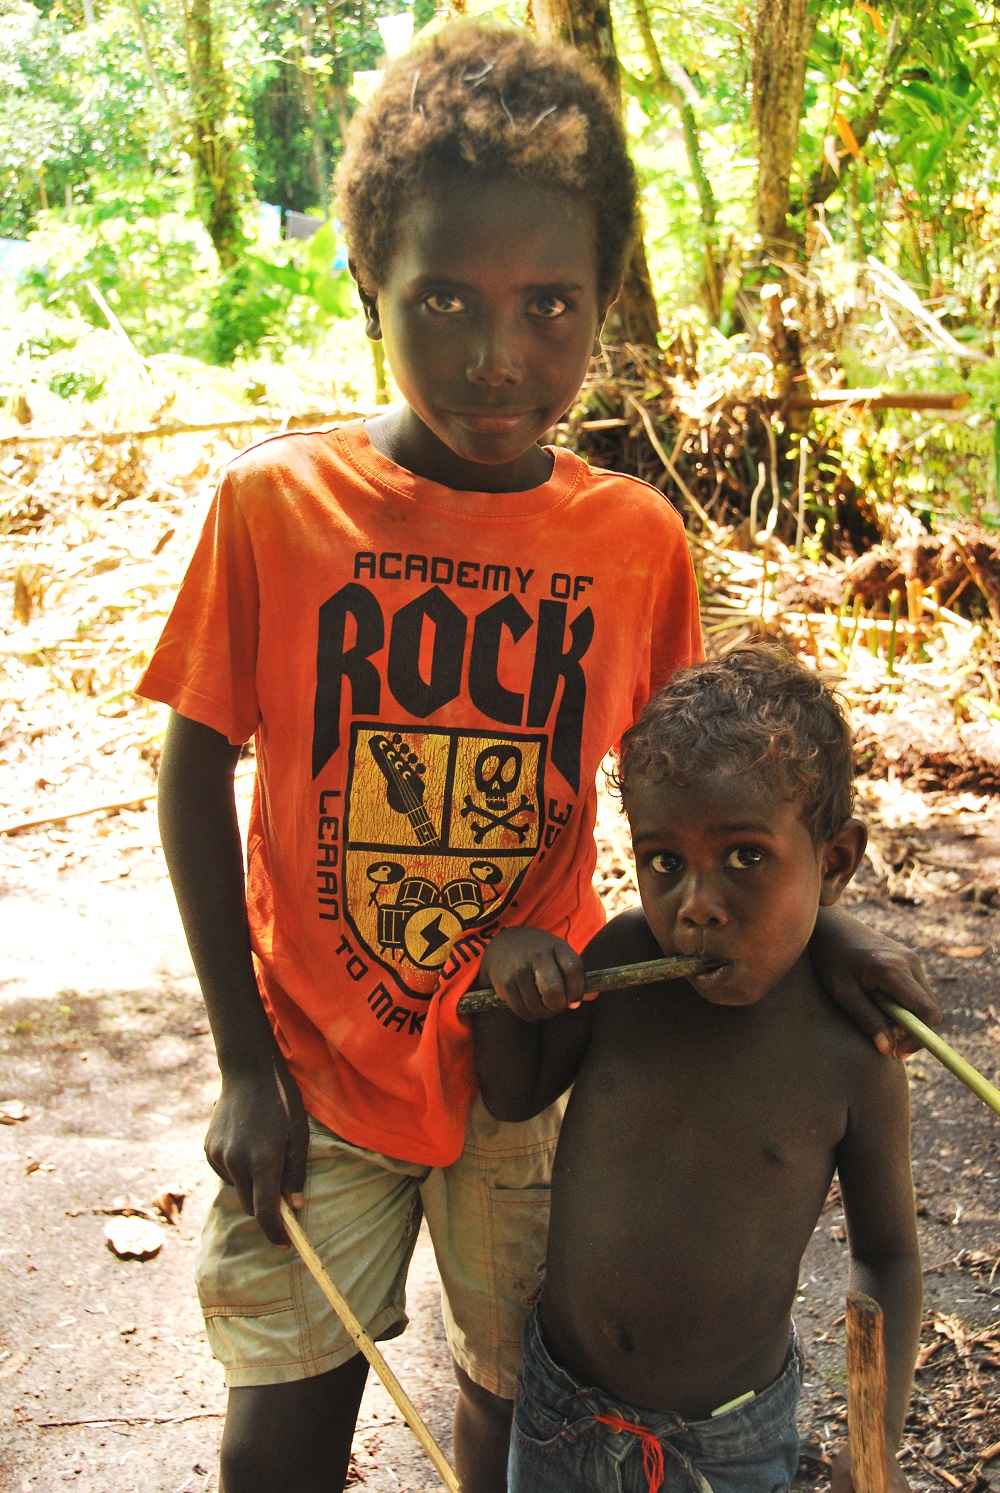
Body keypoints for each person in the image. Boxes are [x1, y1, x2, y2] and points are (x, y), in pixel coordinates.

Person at [138, 22, 935, 1493]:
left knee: (517, 1408)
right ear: (364, 278)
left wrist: (825, 922)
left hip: (537, 1047)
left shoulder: (629, 540)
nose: (496, 358)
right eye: (440, 298)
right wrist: (242, 1063)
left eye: (548, 306)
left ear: (602, 301)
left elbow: (716, 797)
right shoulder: (275, 508)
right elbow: (192, 776)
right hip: (315, 1060)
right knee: (283, 1419)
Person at [474, 644, 921, 1493]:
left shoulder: (849, 1054)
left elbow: (890, 1256)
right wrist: (506, 976)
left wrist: (877, 1443)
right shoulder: (619, 967)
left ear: (833, 863)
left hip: (728, 1448)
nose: (696, 904)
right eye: (663, 862)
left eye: (744, 856)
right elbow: (512, 1090)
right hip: (561, 1411)